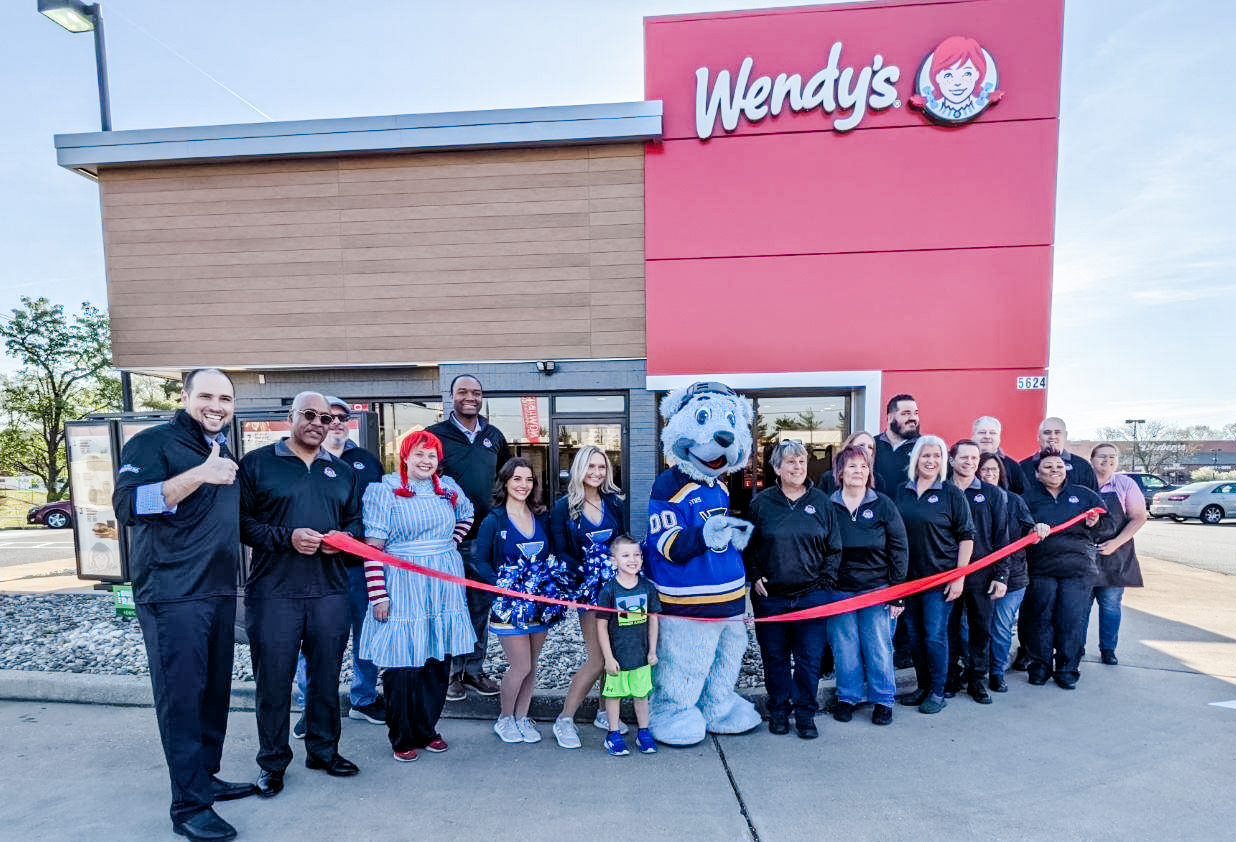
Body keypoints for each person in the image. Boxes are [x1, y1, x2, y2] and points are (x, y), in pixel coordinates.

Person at [113, 369, 253, 842]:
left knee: (213, 694)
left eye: (226, 398)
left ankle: (204, 779)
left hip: (218, 591)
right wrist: (198, 475)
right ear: (185, 396)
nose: (217, 406)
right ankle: (189, 807)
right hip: (173, 593)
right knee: (182, 700)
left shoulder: (221, 449)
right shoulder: (152, 443)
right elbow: (127, 507)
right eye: (207, 396)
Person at [239, 392, 364, 797]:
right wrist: (286, 537)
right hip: (274, 592)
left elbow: (356, 523)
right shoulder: (257, 464)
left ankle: (323, 751)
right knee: (274, 682)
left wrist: (344, 539)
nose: (318, 423)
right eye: (309, 414)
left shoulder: (342, 471)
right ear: (290, 416)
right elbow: (241, 524)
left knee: (326, 678)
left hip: (329, 590)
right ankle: (272, 762)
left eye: (326, 418)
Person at [358, 430, 476, 761]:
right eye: (419, 454)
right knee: (402, 662)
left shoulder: (448, 488)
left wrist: (449, 543)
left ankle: (427, 729)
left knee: (437, 660)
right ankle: (402, 736)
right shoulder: (384, 491)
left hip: (443, 583)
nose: (426, 461)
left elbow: (467, 515)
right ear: (405, 457)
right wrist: (378, 594)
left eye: (431, 455)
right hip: (402, 582)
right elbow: (373, 548)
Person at [292, 396, 385, 739]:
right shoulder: (302, 459)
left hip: (358, 566)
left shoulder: (366, 461)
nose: (335, 423)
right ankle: (311, 706)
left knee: (366, 636)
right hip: (314, 567)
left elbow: (376, 510)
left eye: (342, 417)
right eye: (326, 417)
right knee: (315, 639)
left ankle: (364, 698)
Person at [744, 440, 842, 739]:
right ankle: (778, 711)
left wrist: (825, 582)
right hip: (771, 598)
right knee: (774, 658)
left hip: (811, 597)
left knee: (808, 660)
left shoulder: (822, 502)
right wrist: (755, 575)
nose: (797, 467)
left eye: (801, 461)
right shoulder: (761, 503)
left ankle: (805, 715)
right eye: (790, 462)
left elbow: (834, 548)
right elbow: (748, 546)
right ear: (777, 468)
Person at [427, 375, 511, 702]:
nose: (470, 397)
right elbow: (422, 479)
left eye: (476, 392)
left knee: (479, 607)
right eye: (463, 391)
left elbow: (506, 480)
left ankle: (474, 670)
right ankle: (450, 673)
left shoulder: (494, 436)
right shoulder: (433, 436)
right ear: (451, 396)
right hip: (448, 540)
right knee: (451, 607)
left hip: (485, 538)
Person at [474, 457, 567, 743]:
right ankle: (505, 718)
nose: (523, 485)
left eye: (528, 479)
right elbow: (481, 562)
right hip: (510, 606)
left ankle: (522, 717)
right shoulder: (494, 520)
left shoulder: (541, 517)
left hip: (539, 603)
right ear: (505, 482)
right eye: (516, 479)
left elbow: (551, 555)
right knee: (521, 665)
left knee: (532, 664)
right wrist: (503, 588)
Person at [550, 445, 629, 749]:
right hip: (589, 591)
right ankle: (564, 719)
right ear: (579, 469)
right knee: (598, 658)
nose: (596, 473)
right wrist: (589, 569)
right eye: (591, 466)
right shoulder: (563, 507)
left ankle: (603, 712)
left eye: (601, 467)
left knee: (616, 653)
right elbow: (560, 551)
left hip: (616, 589)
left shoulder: (613, 503)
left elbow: (622, 542)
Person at [826, 444, 909, 726]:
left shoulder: (883, 504)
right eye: (852, 466)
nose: (858, 471)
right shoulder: (828, 506)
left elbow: (899, 548)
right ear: (840, 472)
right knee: (844, 647)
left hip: (877, 589)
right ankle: (847, 697)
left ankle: (883, 699)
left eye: (863, 466)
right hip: (839, 590)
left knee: (878, 646)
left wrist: (897, 592)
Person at [893, 435, 975, 714]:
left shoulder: (952, 494)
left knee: (934, 636)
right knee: (914, 636)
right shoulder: (901, 491)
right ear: (916, 459)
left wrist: (959, 576)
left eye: (937, 456)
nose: (931, 461)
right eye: (926, 455)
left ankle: (938, 691)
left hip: (939, 580)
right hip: (908, 580)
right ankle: (923, 686)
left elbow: (966, 537)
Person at [1020, 453, 1107, 689]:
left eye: (1059, 466)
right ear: (1037, 474)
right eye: (1048, 466)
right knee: (1040, 618)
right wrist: (1032, 529)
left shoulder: (1084, 495)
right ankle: (1040, 666)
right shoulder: (1027, 499)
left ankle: (1067, 669)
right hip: (1040, 568)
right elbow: (1018, 528)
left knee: (1071, 619)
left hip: (1077, 569)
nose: (1054, 470)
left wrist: (1095, 523)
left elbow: (1105, 523)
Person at [945, 439, 1011, 705]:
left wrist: (1001, 575)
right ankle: (950, 679)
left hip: (982, 575)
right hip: (946, 574)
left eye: (974, 458)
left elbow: (1002, 536)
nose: (970, 462)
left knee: (980, 630)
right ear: (952, 460)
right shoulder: (941, 490)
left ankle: (976, 681)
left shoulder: (992, 494)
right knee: (948, 629)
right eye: (964, 457)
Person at [596, 535, 661, 756]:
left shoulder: (648, 588)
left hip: (641, 656)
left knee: (641, 695)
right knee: (614, 695)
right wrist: (608, 657)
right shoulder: (608, 591)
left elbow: (653, 620)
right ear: (614, 560)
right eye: (625, 555)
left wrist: (652, 650)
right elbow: (601, 626)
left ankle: (644, 732)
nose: (632, 559)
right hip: (618, 656)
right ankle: (613, 734)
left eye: (637, 555)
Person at [977, 452, 1035, 692]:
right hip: (978, 576)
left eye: (993, 469)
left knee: (1001, 626)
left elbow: (1029, 529)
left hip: (1013, 575)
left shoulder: (1014, 501)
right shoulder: (968, 498)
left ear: (1001, 473)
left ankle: (996, 671)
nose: (989, 474)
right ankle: (975, 669)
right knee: (976, 626)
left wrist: (1038, 529)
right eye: (984, 470)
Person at [1086, 443, 1147, 665]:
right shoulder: (1083, 483)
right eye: (1102, 456)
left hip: (1115, 556)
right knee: (1079, 607)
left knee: (1110, 606)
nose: (1107, 461)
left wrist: (1115, 543)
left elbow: (1139, 517)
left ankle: (1108, 649)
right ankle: (1076, 648)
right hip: (1084, 556)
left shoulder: (1125, 484)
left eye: (1112, 457)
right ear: (1092, 460)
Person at [1019, 417, 1098, 492]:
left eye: (1057, 432)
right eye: (1047, 433)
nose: (1052, 436)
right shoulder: (1022, 467)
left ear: (1065, 435)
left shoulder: (1082, 466)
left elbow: (1093, 498)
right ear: (1038, 436)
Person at [874, 394, 920, 494]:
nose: (913, 418)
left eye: (916, 413)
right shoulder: (872, 445)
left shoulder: (925, 446)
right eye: (906, 413)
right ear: (890, 417)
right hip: (878, 503)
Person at [972, 415, 1025, 495]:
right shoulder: (964, 462)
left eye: (992, 433)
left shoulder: (1012, 466)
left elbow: (1024, 495)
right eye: (982, 432)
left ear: (999, 438)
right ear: (973, 436)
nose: (987, 436)